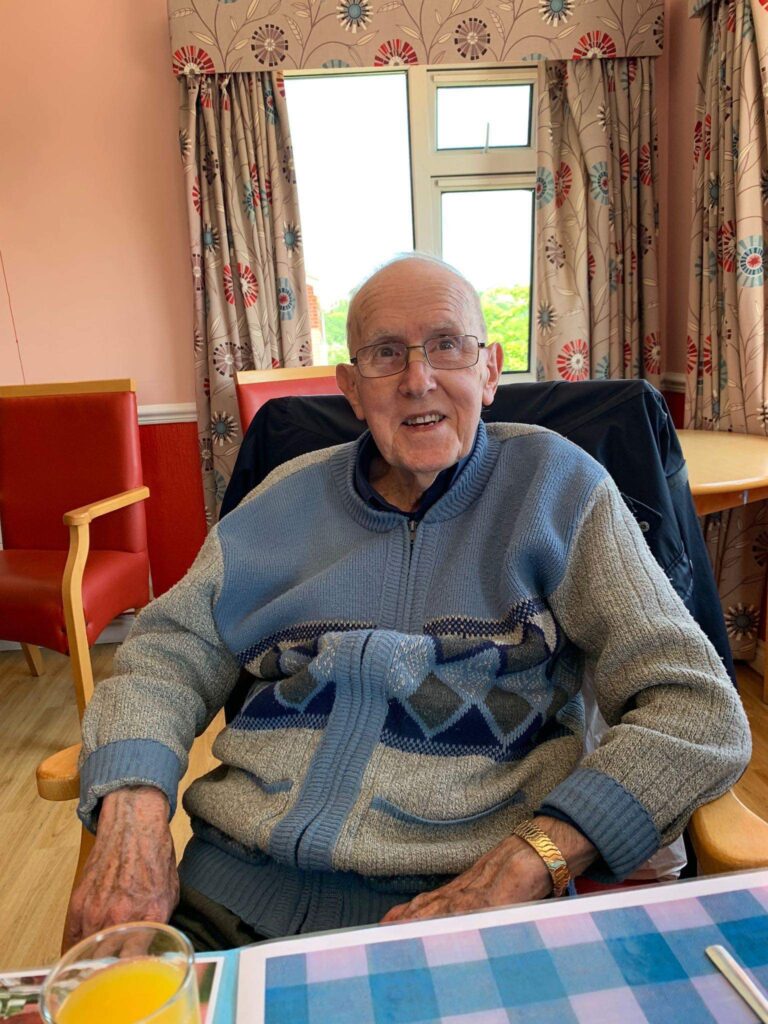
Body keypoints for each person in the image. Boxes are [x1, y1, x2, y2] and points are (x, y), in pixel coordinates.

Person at [65, 254, 750, 950]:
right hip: (229, 892)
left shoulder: (559, 489)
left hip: (468, 906)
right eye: (386, 353)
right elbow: (167, 653)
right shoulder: (281, 500)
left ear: (490, 372)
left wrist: (530, 860)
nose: (418, 379)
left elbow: (697, 707)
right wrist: (132, 812)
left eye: (447, 345)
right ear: (352, 389)